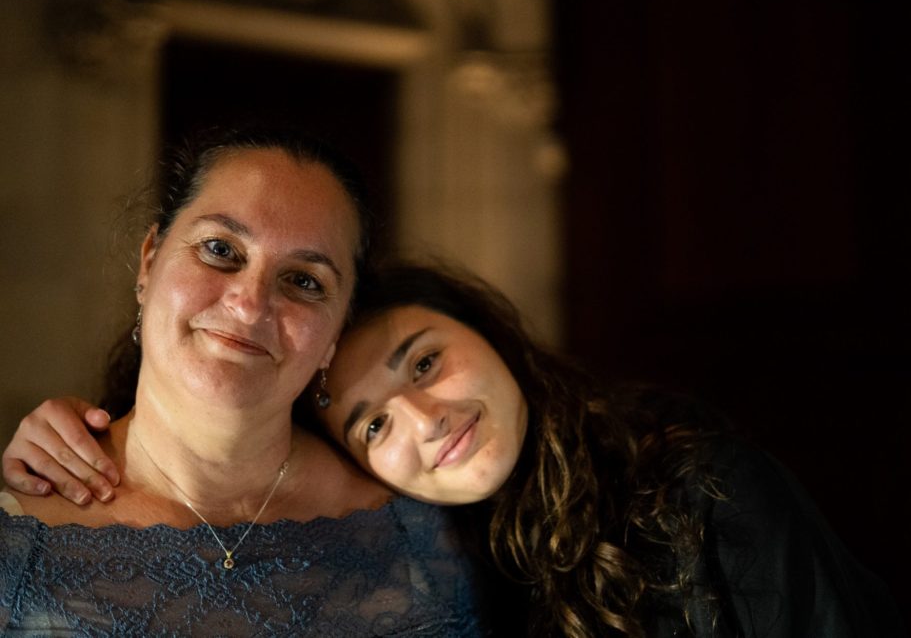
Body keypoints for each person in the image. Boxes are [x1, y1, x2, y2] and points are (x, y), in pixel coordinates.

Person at [5, 263, 905, 637]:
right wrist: (74, 439)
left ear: (489, 334)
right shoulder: (427, 561)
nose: (425, 419)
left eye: (426, 361)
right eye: (372, 425)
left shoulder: (694, 487)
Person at [0, 125, 497, 636]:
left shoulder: (424, 536)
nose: (250, 302)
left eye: (304, 281)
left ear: (335, 334)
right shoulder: (16, 542)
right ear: (149, 262)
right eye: (220, 248)